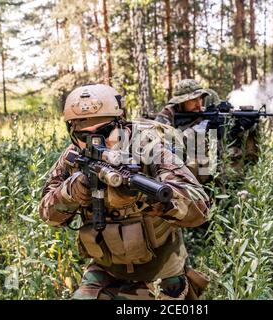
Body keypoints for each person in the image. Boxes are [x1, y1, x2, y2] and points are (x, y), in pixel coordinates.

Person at [39, 84, 211, 300]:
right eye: (84, 135)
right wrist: (72, 192)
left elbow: (200, 207)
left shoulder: (149, 148)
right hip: (106, 269)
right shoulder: (74, 156)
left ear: (121, 124)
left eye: (103, 132)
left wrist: (144, 197)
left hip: (161, 271)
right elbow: (47, 214)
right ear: (72, 133)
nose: (96, 143)